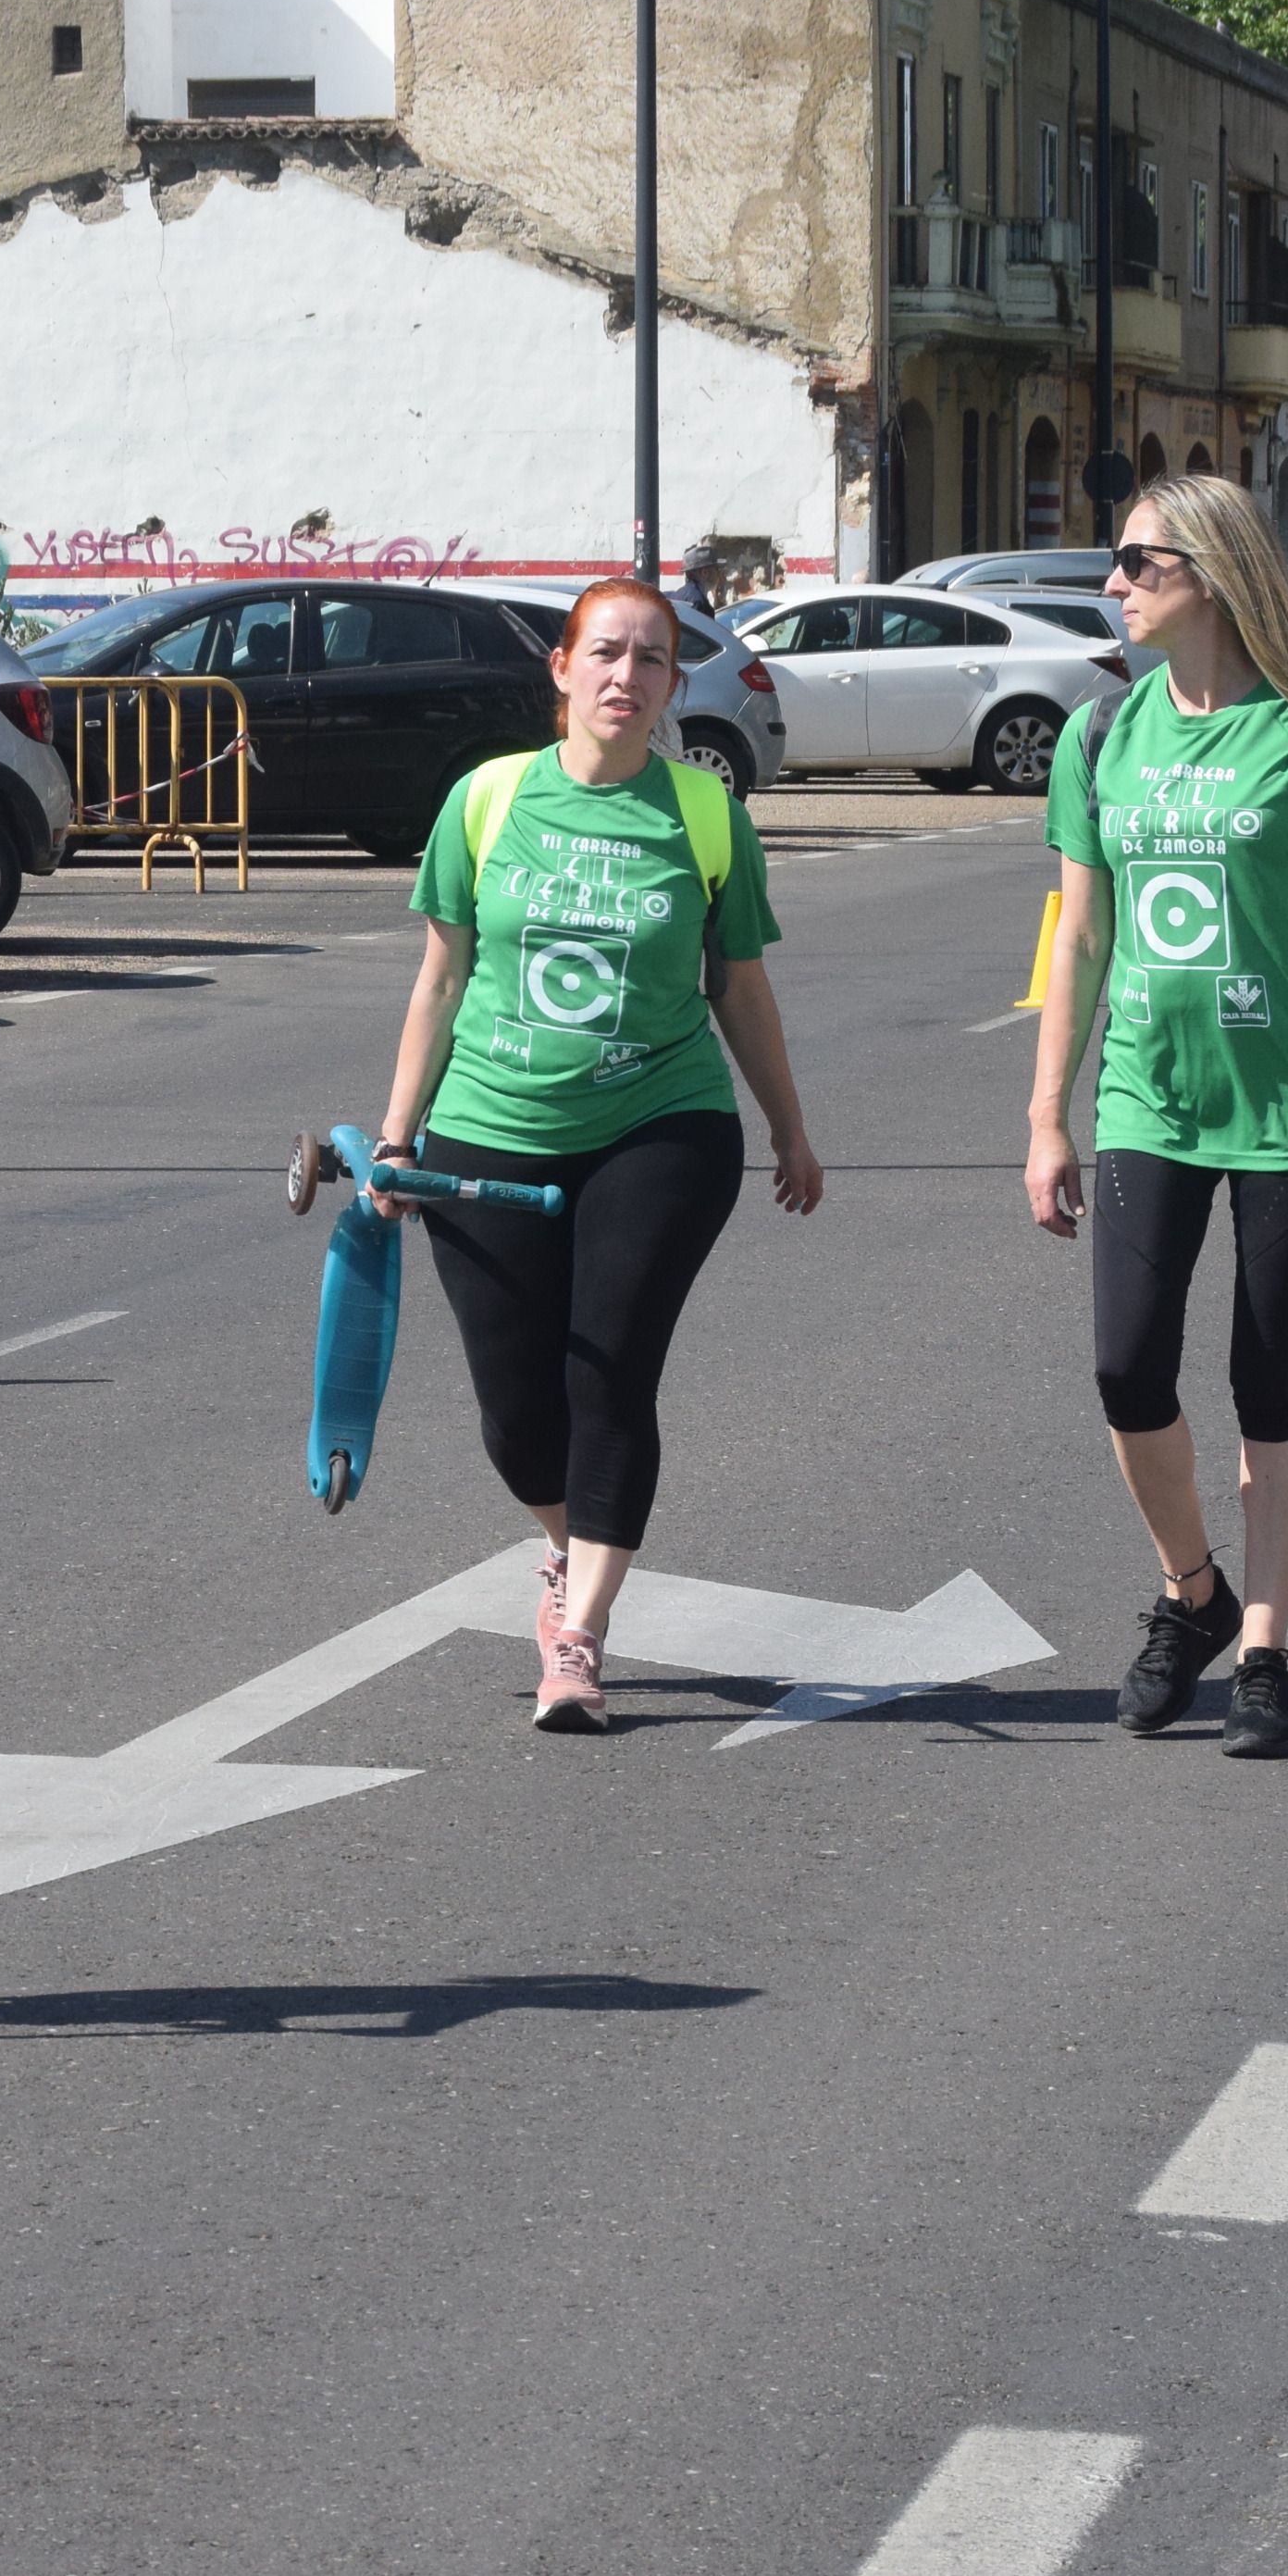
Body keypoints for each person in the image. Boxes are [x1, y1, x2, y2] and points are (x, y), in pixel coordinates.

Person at [372, 576, 824, 1733]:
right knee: (516, 1412)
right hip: (486, 1124)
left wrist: (786, 1125)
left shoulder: (703, 814)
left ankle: (577, 1635)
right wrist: (392, 1137)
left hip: (660, 1125)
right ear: (562, 669)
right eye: (607, 654)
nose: (628, 677)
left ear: (673, 685)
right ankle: (570, 1545)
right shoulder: (485, 800)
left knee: (607, 1371)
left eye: (653, 661)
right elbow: (439, 978)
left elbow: (739, 986)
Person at [1024, 470, 1288, 1759]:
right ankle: (1188, 1591)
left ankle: (1263, 1646)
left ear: (1206, 572)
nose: (1115, 586)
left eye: (1136, 565)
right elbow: (1076, 941)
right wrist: (1049, 1117)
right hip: (1148, 1097)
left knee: (1269, 1377)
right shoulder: (1101, 739)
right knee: (1125, 1364)